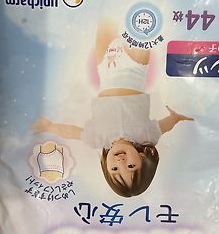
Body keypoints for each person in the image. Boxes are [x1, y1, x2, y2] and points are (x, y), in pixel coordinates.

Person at [32, 19, 193, 196]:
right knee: (139, 25)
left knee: (106, 23)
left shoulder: (97, 138)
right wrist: (174, 118)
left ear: (106, 167)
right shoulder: (147, 136)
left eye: (115, 169)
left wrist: (50, 126)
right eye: (131, 166)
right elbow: (164, 127)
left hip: (106, 66)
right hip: (135, 67)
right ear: (142, 158)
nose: (121, 162)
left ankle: (109, 7)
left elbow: (72, 133)